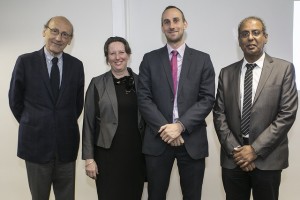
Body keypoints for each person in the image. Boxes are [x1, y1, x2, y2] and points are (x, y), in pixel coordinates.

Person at [213, 16, 298, 200]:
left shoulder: (283, 69)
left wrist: (254, 150)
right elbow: (219, 114)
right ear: (239, 40)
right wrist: (238, 151)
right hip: (233, 160)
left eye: (256, 33)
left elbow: (287, 114)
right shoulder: (226, 73)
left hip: (268, 159)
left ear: (265, 37)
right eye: (245, 34)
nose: (250, 38)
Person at [137, 5, 215, 200]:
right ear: (162, 28)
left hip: (191, 140)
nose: (172, 25)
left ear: (185, 24)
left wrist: (180, 126)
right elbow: (143, 98)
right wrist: (167, 129)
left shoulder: (203, 60)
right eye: (166, 22)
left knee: (192, 196)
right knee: (155, 196)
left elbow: (207, 99)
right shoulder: (149, 59)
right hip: (158, 140)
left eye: (176, 20)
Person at [8, 16, 84, 200]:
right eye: (55, 31)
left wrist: (60, 123)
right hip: (35, 145)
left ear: (70, 40)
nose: (58, 38)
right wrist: (33, 122)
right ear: (44, 31)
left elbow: (77, 105)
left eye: (65, 34)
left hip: (66, 146)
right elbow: (14, 100)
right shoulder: (25, 62)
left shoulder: (76, 65)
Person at [82, 36, 146, 200]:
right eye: (112, 53)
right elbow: (88, 123)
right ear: (107, 58)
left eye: (121, 52)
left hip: (135, 156)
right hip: (106, 157)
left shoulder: (142, 82)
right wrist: (89, 159)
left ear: (128, 54)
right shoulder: (97, 83)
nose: (118, 57)